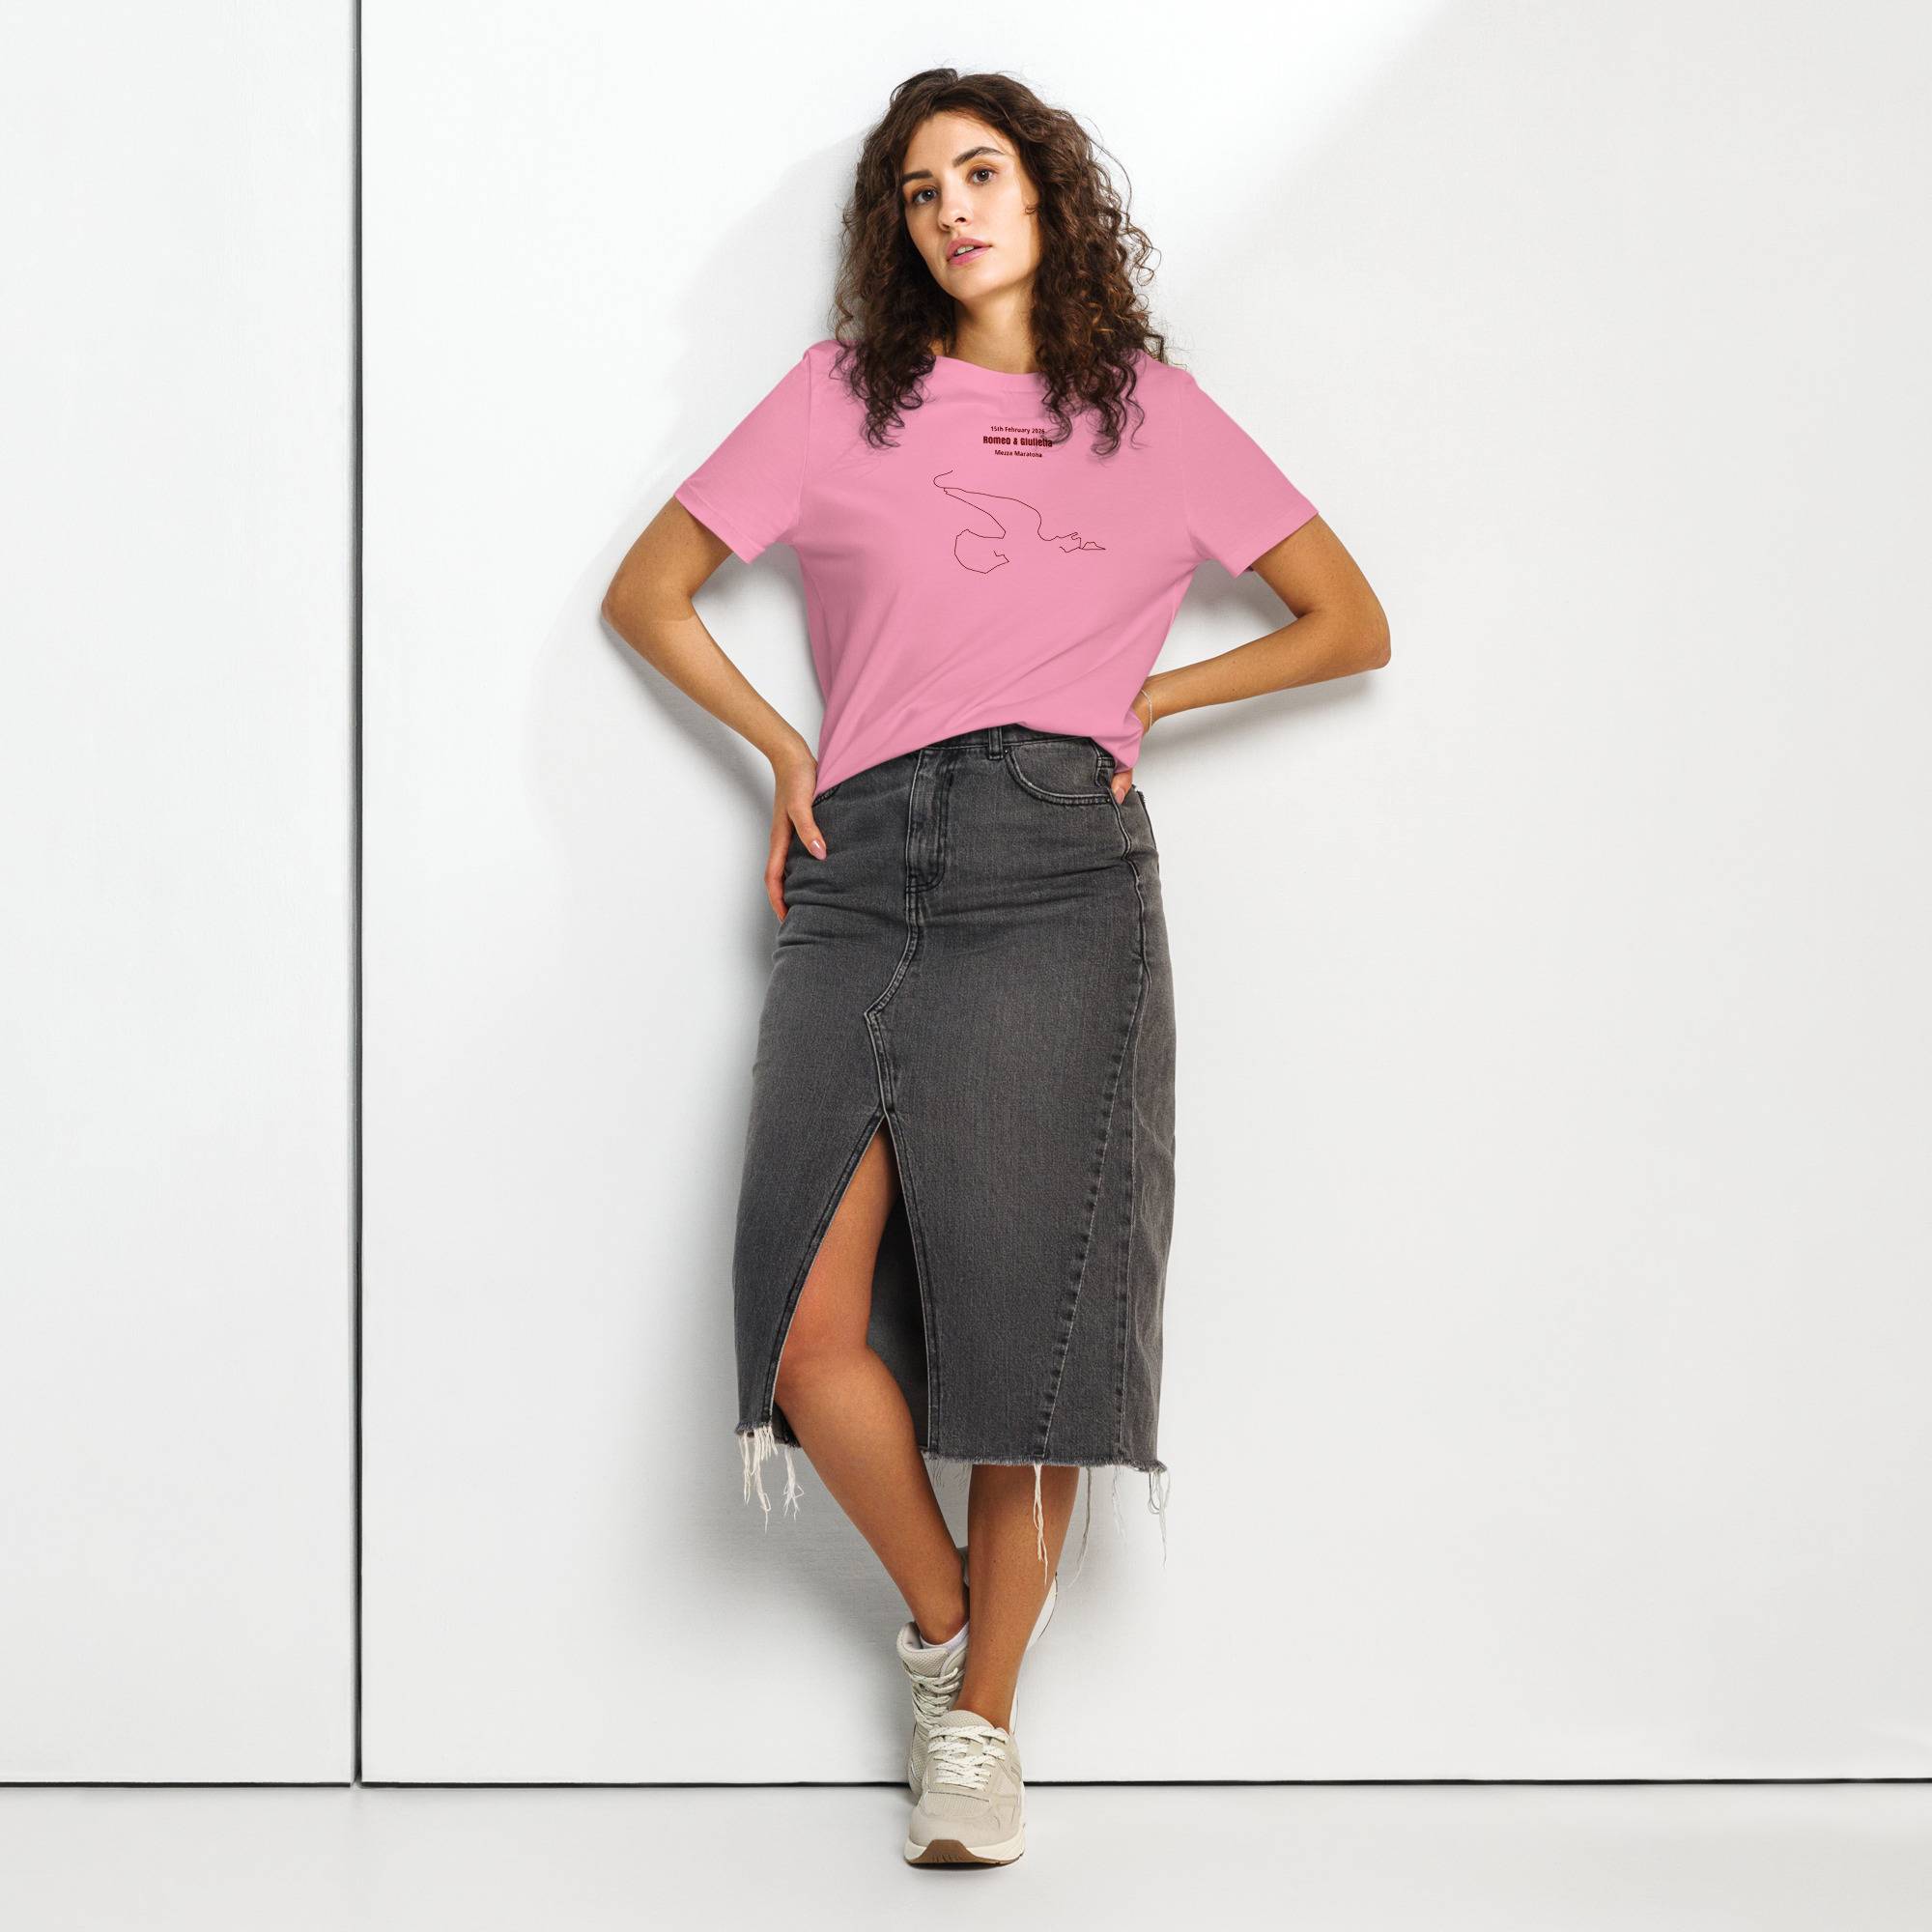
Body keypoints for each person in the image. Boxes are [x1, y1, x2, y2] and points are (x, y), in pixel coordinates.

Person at [602, 66, 1389, 1868]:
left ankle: (983, 1735)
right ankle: (952, 1628)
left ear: (1052, 197)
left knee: (1033, 1330)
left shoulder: (1156, 414)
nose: (951, 209)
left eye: (983, 172)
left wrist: (1145, 701)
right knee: (806, 1324)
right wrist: (784, 755)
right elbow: (650, 591)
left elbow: (1349, 618)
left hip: (1059, 864)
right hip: (862, 861)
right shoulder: (832, 403)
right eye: (915, 189)